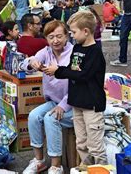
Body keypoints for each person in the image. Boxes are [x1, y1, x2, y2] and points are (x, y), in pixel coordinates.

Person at [43, 11, 107, 168]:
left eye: (73, 32)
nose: (72, 36)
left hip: (92, 104)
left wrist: (59, 71)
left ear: (86, 31)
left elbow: (83, 75)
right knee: (81, 142)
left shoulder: (95, 52)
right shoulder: (77, 48)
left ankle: (100, 169)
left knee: (95, 145)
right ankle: (86, 167)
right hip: (77, 102)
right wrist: (58, 71)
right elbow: (73, 70)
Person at [22, 20, 74, 174]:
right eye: (51, 37)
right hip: (54, 101)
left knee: (50, 119)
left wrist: (63, 106)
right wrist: (32, 62)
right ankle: (39, 161)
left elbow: (78, 84)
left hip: (72, 103)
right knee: (33, 116)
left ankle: (56, 166)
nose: (55, 41)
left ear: (66, 36)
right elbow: (25, 63)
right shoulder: (46, 51)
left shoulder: (73, 54)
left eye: (59, 36)